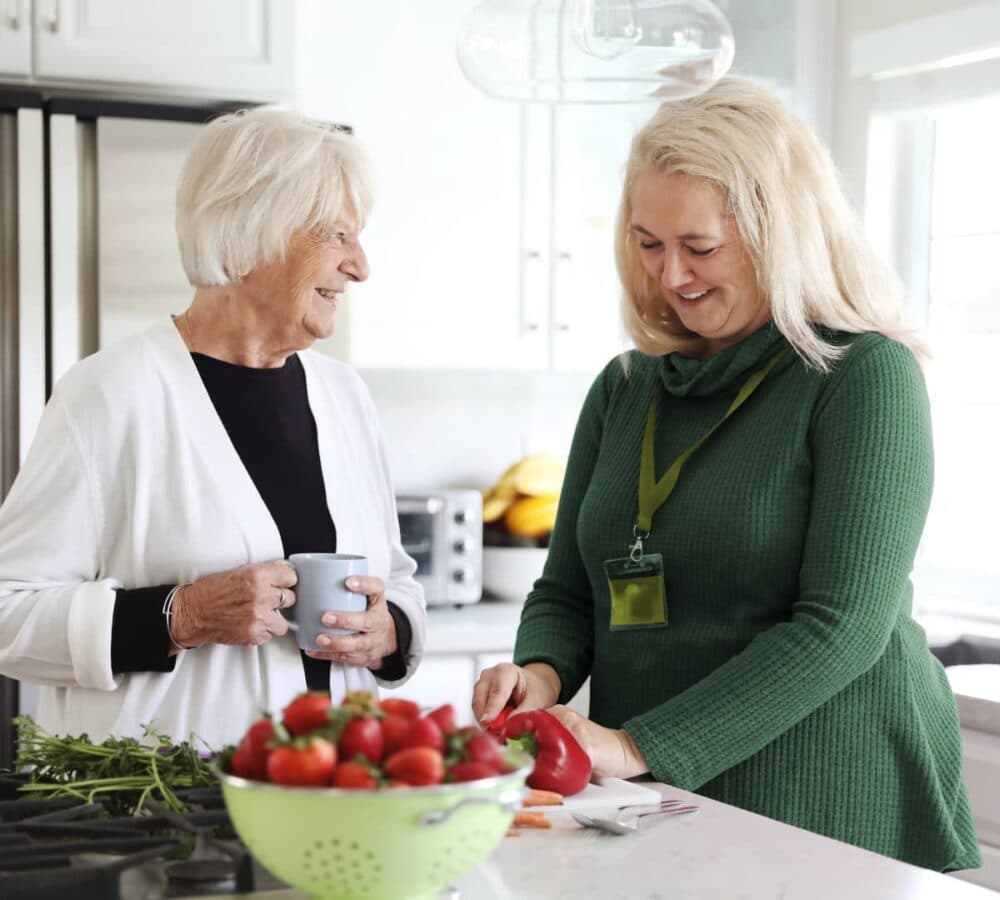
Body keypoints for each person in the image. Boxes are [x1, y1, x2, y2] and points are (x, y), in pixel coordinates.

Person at [472, 77, 979, 872]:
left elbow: (841, 627)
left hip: (827, 792)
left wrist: (634, 743)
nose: (671, 275)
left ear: (781, 233)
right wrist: (541, 672)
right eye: (648, 243)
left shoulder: (864, 377)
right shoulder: (627, 387)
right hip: (657, 792)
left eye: (699, 247)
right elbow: (569, 590)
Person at [0, 108, 425, 749]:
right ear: (251, 235)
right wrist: (182, 614)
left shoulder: (344, 397)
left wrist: (389, 630)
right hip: (160, 813)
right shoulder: (111, 393)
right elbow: (8, 612)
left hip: (331, 793)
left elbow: (395, 580)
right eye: (337, 236)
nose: (360, 266)